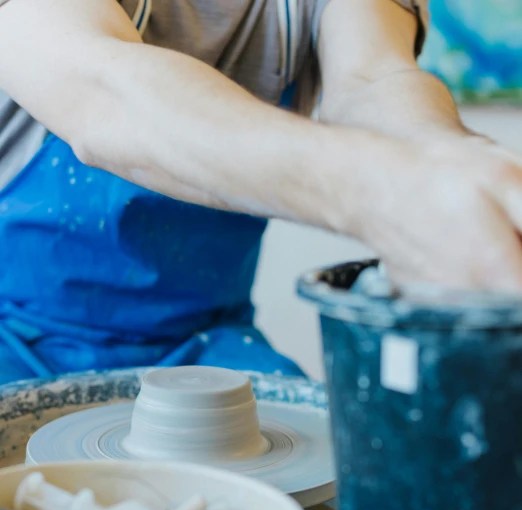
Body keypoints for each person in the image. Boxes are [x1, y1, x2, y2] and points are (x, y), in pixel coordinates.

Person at [0, 0, 521, 387]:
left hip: (204, 345)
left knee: (345, 497)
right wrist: (390, 189)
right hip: (13, 338)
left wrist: (458, 168)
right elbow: (102, 96)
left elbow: (373, 78)